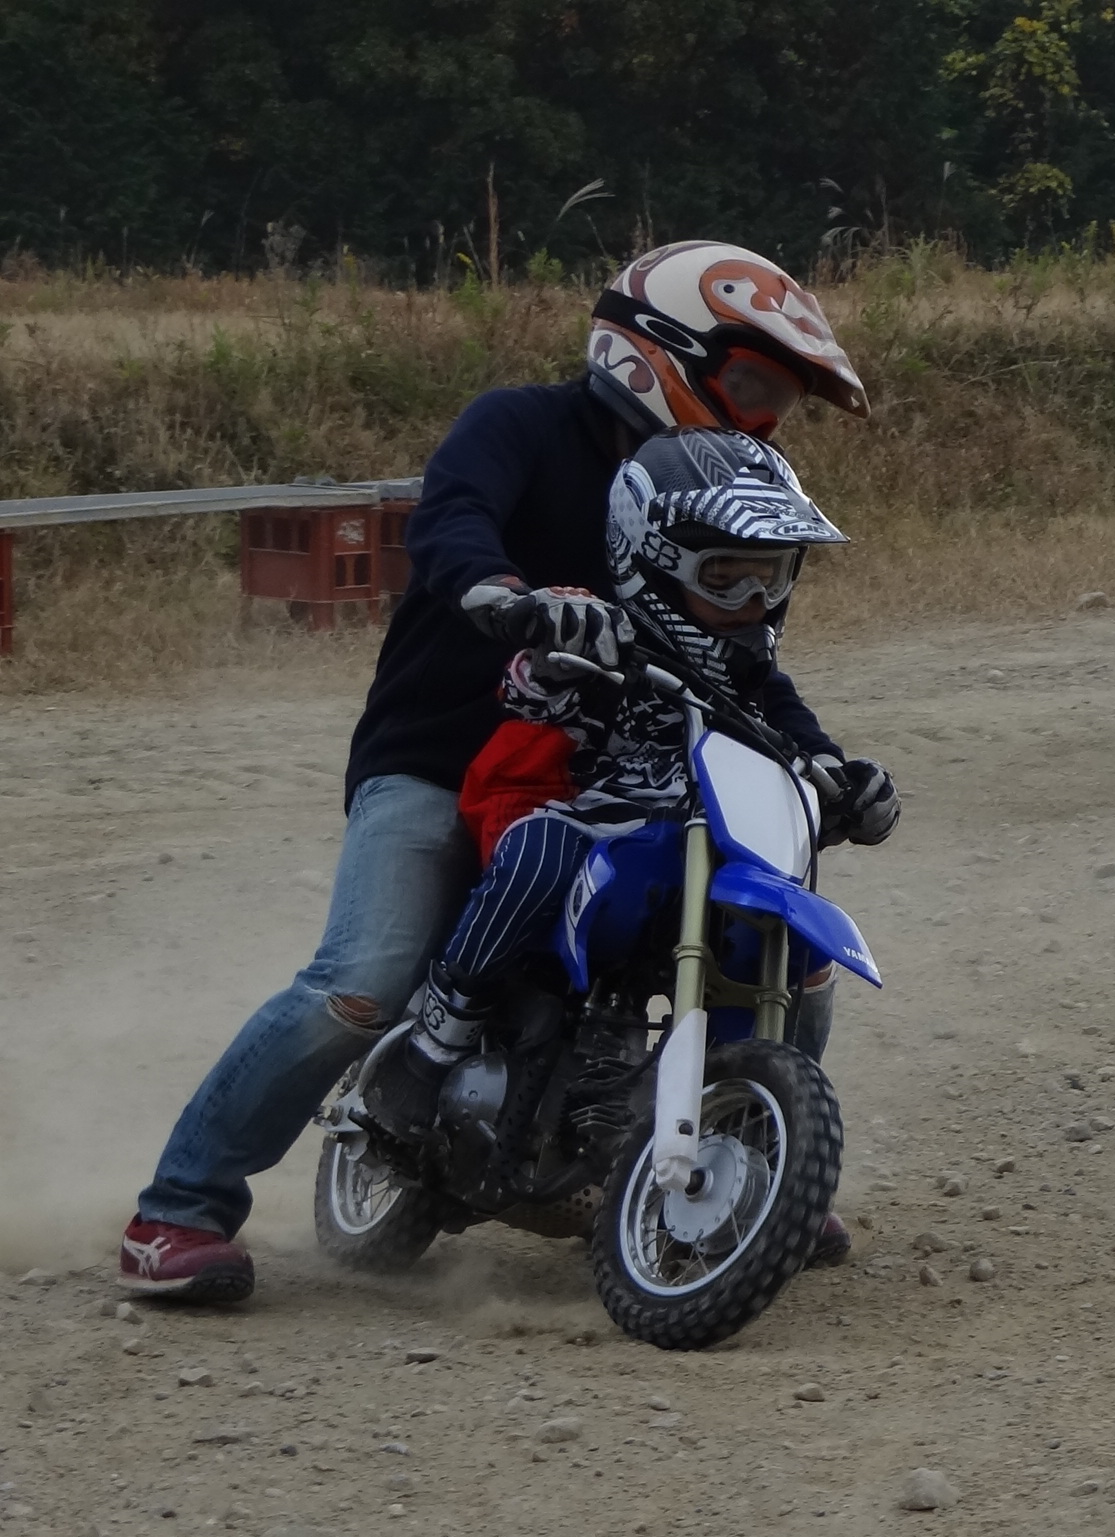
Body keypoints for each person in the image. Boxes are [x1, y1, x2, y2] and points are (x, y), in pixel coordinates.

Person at [120, 242, 873, 1302]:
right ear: (657, 352)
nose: (761, 422)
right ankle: (179, 1209)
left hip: (625, 777)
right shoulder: (519, 425)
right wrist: (499, 590)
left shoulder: (710, 491)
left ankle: (753, 1145)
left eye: (777, 406)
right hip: (439, 758)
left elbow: (746, 661)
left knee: (785, 946)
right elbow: (452, 518)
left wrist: (827, 764)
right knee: (364, 980)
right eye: (751, 388)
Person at [365, 427, 898, 1136]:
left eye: (770, 576)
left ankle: (764, 1125)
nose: (753, 598)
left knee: (798, 941)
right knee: (539, 849)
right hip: (603, 826)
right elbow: (527, 691)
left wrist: (849, 787)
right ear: (652, 564)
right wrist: (555, 644)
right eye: (726, 576)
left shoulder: (757, 678)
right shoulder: (609, 640)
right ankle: (441, 1033)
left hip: (718, 841)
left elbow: (804, 742)